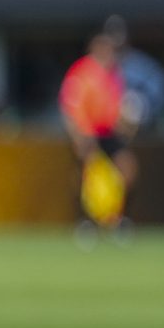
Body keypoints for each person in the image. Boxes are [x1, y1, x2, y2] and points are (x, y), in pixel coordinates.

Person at [61, 29, 136, 234]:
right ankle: (86, 221)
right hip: (87, 133)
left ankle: (119, 219)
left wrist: (126, 123)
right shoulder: (82, 71)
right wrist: (79, 136)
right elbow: (71, 106)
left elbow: (117, 107)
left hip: (109, 133)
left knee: (128, 169)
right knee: (87, 176)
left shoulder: (114, 74)